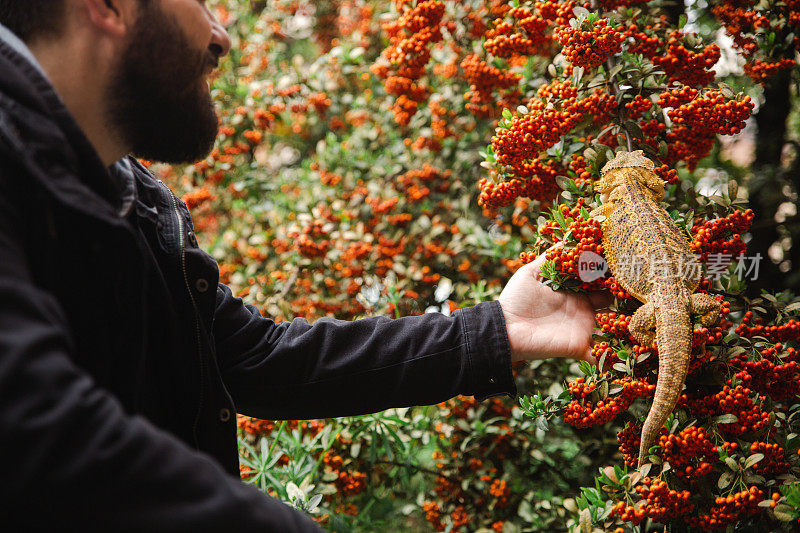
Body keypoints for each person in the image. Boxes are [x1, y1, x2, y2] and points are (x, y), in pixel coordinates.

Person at [0, 0, 608, 530]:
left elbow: (256, 360)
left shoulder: (130, 198)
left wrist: (498, 330)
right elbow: (39, 429)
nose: (222, 35)